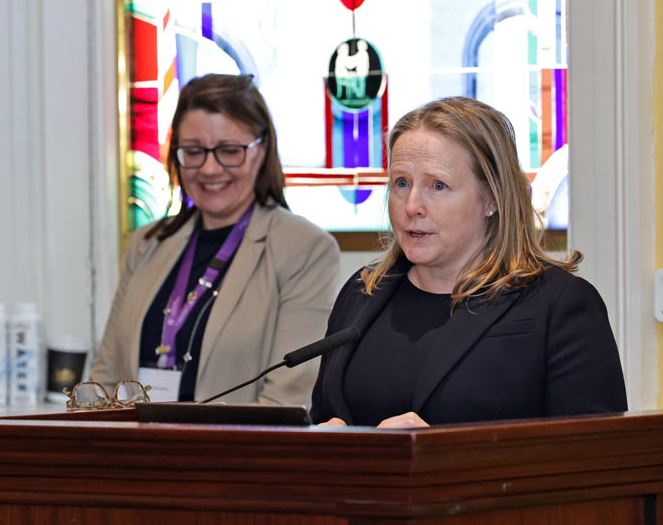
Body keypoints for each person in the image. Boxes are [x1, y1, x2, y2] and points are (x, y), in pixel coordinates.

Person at [311, 96, 627, 428]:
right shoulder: (361, 292)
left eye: (438, 185)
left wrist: (436, 458)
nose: (412, 206)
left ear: (491, 197)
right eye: (401, 183)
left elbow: (593, 460)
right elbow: (325, 417)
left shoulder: (559, 305)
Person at [91, 74, 340, 406]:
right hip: (135, 455)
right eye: (193, 152)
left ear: (261, 150)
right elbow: (105, 381)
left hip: (234, 456)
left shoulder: (304, 249)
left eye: (228, 151)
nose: (209, 169)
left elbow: (288, 400)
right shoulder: (148, 244)